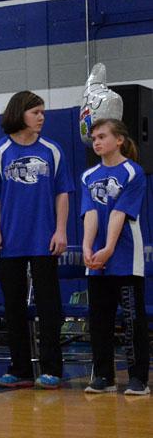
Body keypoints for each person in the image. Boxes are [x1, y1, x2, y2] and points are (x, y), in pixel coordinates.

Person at [0, 91, 73, 390]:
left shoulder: (52, 150)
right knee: (13, 308)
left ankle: (52, 369)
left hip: (44, 239)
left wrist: (60, 230)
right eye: (36, 111)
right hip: (10, 241)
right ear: (20, 113)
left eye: (43, 112)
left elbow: (63, 192)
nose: (41, 117)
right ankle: (20, 368)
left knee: (49, 307)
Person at [81, 119, 149, 396]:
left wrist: (109, 248)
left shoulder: (133, 172)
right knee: (99, 319)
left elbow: (120, 213)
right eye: (94, 138)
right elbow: (91, 214)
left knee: (132, 320)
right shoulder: (88, 176)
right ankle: (104, 377)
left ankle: (138, 379)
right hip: (96, 260)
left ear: (119, 139)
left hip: (125, 256)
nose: (96, 142)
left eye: (102, 136)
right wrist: (87, 247)